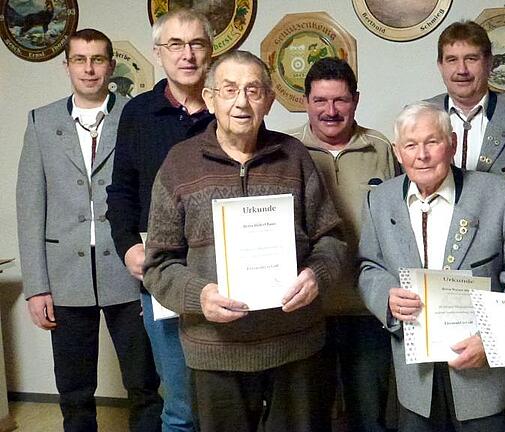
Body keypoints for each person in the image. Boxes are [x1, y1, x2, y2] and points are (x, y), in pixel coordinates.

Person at [143, 50, 345, 432]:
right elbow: (158, 263)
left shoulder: (295, 156)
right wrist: (198, 296)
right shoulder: (178, 163)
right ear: (210, 98)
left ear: (268, 99)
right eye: (229, 89)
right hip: (214, 350)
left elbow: (331, 238)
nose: (241, 101)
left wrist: (317, 275)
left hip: (295, 347)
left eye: (253, 90)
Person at [16, 28, 162, 431]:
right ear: (67, 66)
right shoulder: (41, 121)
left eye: (98, 59)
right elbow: (30, 207)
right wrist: (37, 286)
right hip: (64, 278)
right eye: (79, 59)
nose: (89, 68)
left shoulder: (135, 115)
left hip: (128, 271)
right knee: (74, 392)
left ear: (111, 65)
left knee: (144, 386)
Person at [358, 101, 505, 431]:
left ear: (451, 144)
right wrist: (386, 298)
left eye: (432, 142)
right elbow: (369, 266)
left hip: (483, 373)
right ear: (397, 152)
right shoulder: (378, 200)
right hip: (415, 379)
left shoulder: (501, 194)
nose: (421, 154)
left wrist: (494, 340)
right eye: (410, 145)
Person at [425, 23, 505, 426]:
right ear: (441, 66)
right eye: (452, 60)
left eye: (471, 58)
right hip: (439, 283)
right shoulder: (422, 116)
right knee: (443, 385)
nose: (461, 69)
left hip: (504, 277)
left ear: (489, 63)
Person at [106, 9, 214, 431]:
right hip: (163, 273)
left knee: (229, 397)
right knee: (181, 405)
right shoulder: (138, 113)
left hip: (222, 272)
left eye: (196, 44)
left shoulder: (230, 106)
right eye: (176, 44)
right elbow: (120, 192)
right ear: (158, 52)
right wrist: (128, 245)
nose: (186, 54)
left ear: (210, 51)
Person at [286, 57, 400, 432]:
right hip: (306, 311)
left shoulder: (381, 148)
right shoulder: (285, 151)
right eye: (320, 100)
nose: (330, 111)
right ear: (306, 101)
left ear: (356, 100)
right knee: (309, 418)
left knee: (370, 419)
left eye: (340, 100)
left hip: (366, 309)